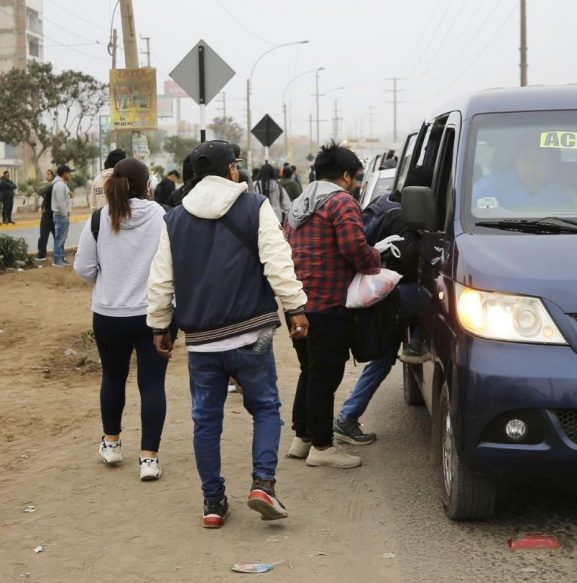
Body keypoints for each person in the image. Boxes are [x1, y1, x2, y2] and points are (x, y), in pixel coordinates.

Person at [147, 140, 309, 528]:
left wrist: (159, 324)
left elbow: (161, 280)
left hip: (202, 341)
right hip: (252, 333)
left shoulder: (173, 219)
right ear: (231, 170)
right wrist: (296, 308)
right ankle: (262, 485)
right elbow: (277, 261)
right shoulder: (254, 206)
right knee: (266, 408)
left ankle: (213, 502)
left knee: (206, 421)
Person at [285, 141, 381, 469]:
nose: (354, 184)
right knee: (325, 375)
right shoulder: (341, 201)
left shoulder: (300, 202)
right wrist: (376, 261)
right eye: (353, 178)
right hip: (327, 304)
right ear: (344, 175)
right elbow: (354, 246)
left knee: (309, 371)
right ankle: (323, 448)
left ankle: (303, 438)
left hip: (297, 305)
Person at [74, 158, 170, 481]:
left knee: (113, 378)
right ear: (147, 186)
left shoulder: (100, 219)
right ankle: (149, 460)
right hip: (153, 314)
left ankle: (112, 444)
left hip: (108, 315)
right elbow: (172, 266)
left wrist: (110, 281)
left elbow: (83, 268)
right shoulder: (162, 217)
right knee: (152, 384)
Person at [333, 167, 427, 445]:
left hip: (380, 292)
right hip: (396, 294)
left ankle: (348, 417)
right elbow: (409, 261)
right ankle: (416, 343)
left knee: (383, 359)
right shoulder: (404, 217)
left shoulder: (382, 204)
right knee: (429, 300)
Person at [472, 143, 575, 208]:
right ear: (516, 162)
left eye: (539, 161)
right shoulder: (489, 185)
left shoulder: (564, 195)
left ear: (551, 166)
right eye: (526, 160)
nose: (532, 168)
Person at [51, 164, 73, 267]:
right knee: (59, 238)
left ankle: (61, 258)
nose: (70, 175)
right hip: (61, 215)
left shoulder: (62, 184)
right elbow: (60, 202)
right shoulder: (59, 185)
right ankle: (58, 260)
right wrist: (65, 215)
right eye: (69, 173)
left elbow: (64, 199)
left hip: (62, 215)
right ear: (64, 173)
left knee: (61, 238)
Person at [35, 169, 55, 261]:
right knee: (43, 236)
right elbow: (40, 190)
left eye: (49, 174)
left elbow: (40, 190)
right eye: (46, 174)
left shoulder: (54, 185)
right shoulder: (49, 185)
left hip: (51, 214)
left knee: (56, 236)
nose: (47, 175)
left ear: (53, 175)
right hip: (48, 214)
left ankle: (57, 254)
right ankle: (42, 254)